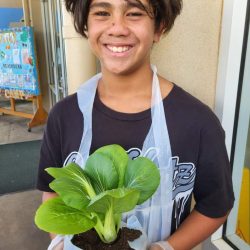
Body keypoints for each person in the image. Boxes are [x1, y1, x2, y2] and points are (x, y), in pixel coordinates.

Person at [37, 0, 235, 249]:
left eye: (134, 13)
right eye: (101, 12)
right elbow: (52, 191)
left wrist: (166, 247)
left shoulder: (198, 122)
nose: (117, 27)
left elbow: (216, 205)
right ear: (85, 24)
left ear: (159, 27)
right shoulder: (63, 117)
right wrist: (59, 241)